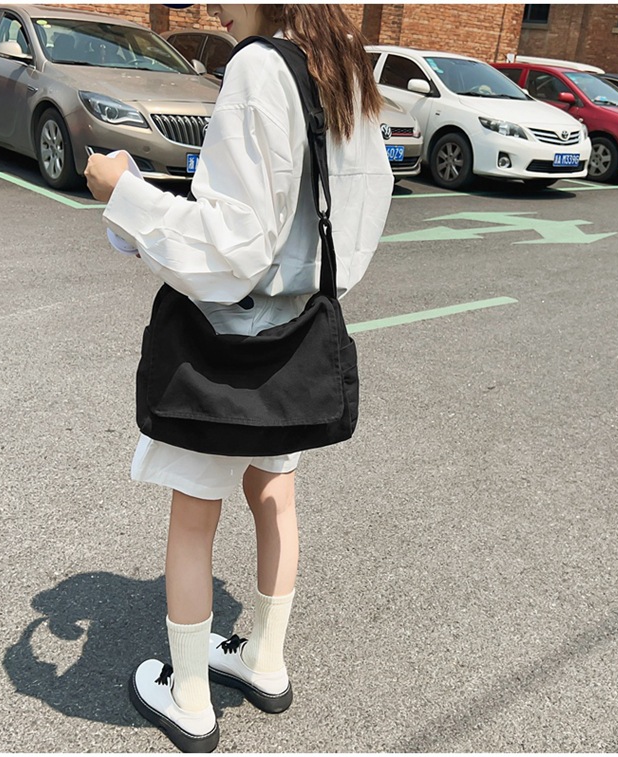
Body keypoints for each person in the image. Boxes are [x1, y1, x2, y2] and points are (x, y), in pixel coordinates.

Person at [85, 4, 393, 753]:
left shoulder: (258, 65)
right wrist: (314, 282)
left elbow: (232, 248)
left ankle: (190, 696)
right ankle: (262, 657)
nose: (210, 5)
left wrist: (124, 194)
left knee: (195, 516)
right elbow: (359, 204)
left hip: (227, 342)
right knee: (274, 495)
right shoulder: (342, 61)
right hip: (295, 338)